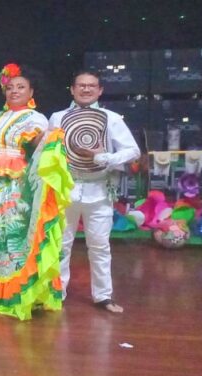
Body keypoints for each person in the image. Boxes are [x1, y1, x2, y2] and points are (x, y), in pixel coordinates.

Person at [0, 63, 74, 320]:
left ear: (32, 91)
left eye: (21, 87)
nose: (14, 91)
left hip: (13, 189)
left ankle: (14, 291)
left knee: (11, 235)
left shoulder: (35, 119)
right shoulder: (0, 116)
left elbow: (36, 150)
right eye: (10, 87)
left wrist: (49, 141)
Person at [51, 70, 140, 314]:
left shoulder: (110, 118)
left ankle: (103, 296)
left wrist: (106, 157)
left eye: (92, 86)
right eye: (81, 85)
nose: (86, 89)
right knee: (61, 245)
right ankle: (57, 292)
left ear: (100, 90)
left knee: (100, 245)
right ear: (72, 89)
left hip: (100, 190)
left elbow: (133, 151)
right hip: (65, 190)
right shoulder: (58, 118)